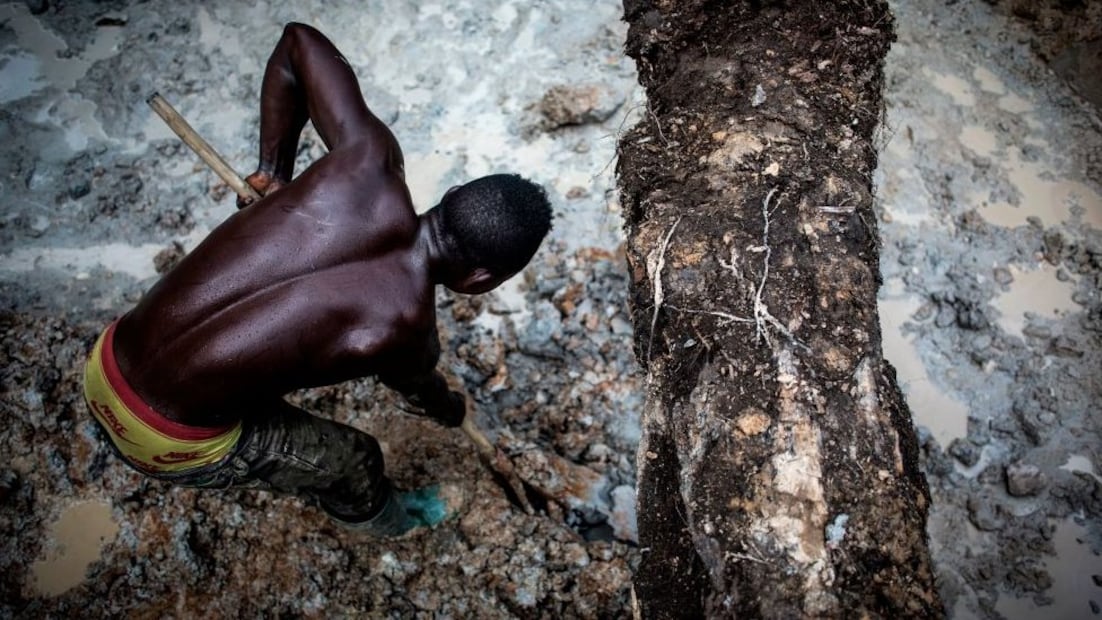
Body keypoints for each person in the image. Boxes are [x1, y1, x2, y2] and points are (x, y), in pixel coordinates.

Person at [82, 22, 552, 537]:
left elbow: (296, 43)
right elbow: (422, 392)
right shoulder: (407, 328)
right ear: (481, 280)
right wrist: (451, 408)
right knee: (355, 459)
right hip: (162, 442)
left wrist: (273, 171)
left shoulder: (367, 158)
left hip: (104, 359)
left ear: (454, 191)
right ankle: (392, 525)